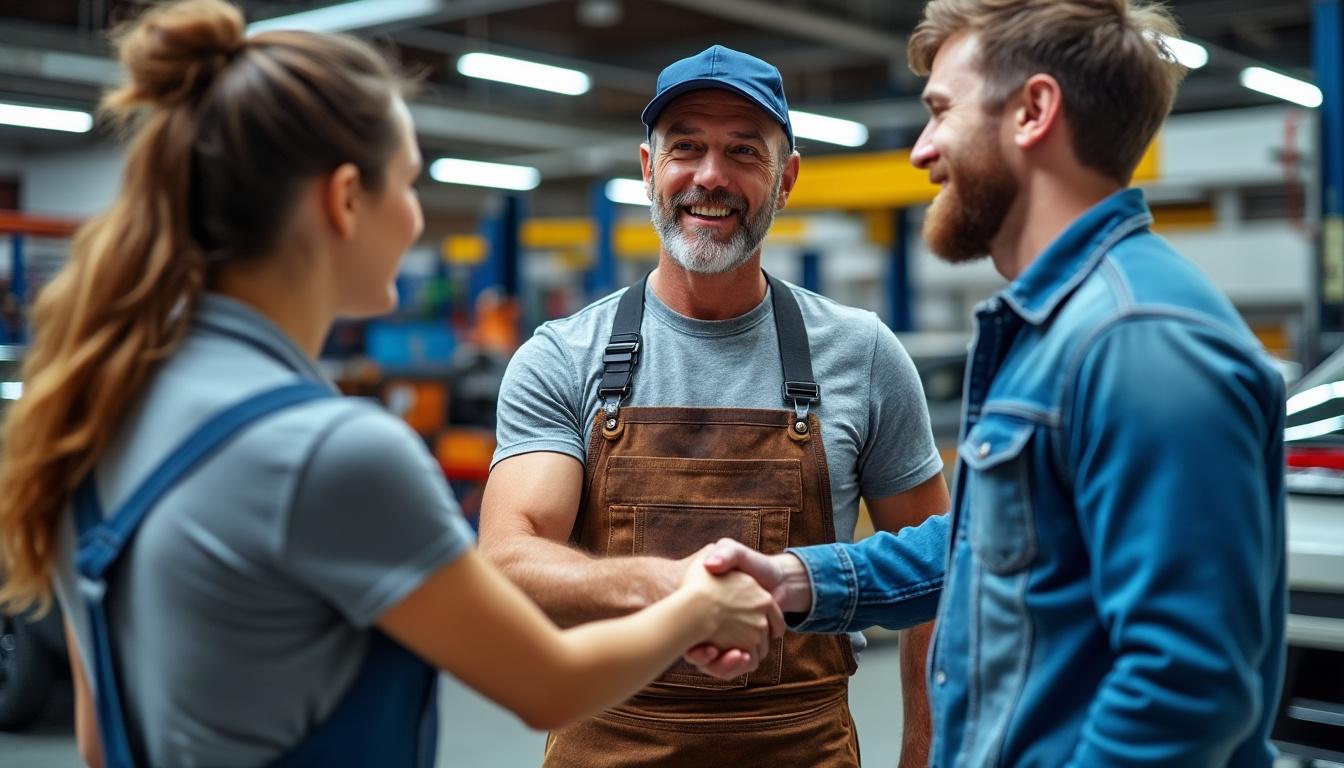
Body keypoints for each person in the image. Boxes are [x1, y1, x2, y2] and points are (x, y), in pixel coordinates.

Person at [0, 2, 784, 766]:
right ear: (345, 200)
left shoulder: (89, 412)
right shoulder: (334, 453)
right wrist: (699, 607)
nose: (414, 217)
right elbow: (549, 686)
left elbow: (103, 739)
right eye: (408, 185)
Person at [702, 1, 1289, 765]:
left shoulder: (1138, 342)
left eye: (941, 111)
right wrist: (796, 578)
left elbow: (1186, 688)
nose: (921, 151)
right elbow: (994, 542)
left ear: (1033, 111)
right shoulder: (1061, 328)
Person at [479, 44, 949, 768]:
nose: (710, 176)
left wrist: (924, 755)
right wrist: (679, 589)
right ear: (647, 169)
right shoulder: (562, 356)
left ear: (786, 180)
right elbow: (507, 560)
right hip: (606, 745)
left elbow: (938, 582)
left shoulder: (863, 355)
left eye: (742, 151)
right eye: (687, 147)